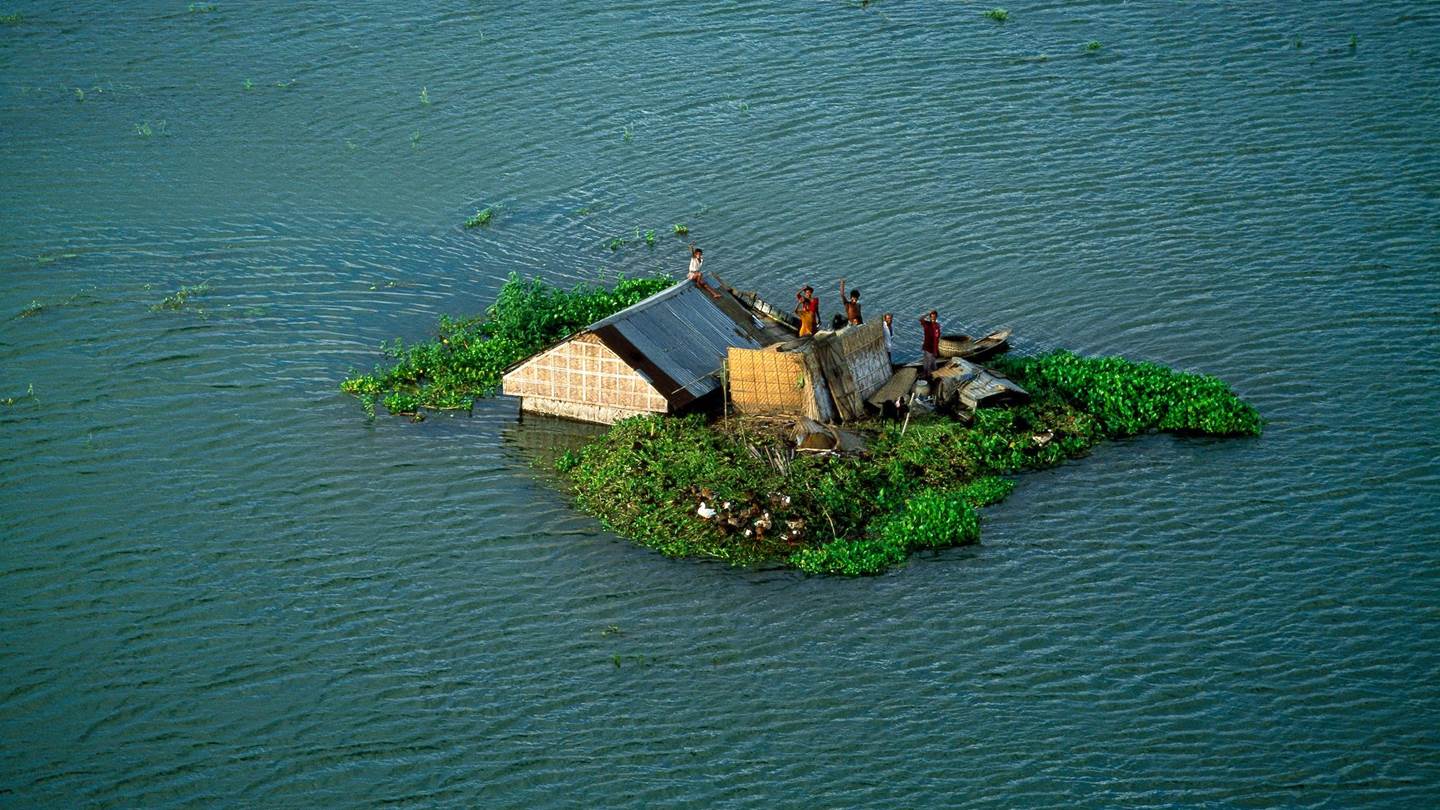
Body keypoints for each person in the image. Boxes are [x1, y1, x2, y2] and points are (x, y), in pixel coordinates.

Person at [920, 310, 941, 377]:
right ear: (930, 317)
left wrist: (936, 350)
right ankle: (928, 377)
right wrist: (928, 313)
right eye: (932, 317)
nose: (933, 319)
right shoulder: (927, 324)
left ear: (936, 317)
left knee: (932, 364)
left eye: (934, 317)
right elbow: (920, 318)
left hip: (934, 348)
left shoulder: (937, 325)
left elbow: (937, 338)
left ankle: (929, 375)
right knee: (928, 364)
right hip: (928, 347)